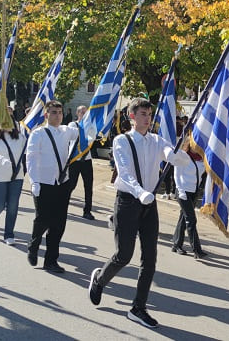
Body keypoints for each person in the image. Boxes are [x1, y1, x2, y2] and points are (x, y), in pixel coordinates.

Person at [87, 98, 190, 328]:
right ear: (132, 116)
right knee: (124, 255)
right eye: (143, 113)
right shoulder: (122, 141)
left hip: (149, 204)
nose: (148, 117)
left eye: (149, 114)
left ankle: (138, 307)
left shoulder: (156, 140)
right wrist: (140, 192)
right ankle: (100, 279)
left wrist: (178, 156)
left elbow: (170, 154)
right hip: (128, 201)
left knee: (150, 258)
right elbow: (124, 172)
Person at [26, 100, 79, 273]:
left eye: (60, 112)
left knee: (58, 224)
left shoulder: (66, 131)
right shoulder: (38, 134)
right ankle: (33, 246)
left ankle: (51, 260)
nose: (58, 115)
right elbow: (31, 158)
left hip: (62, 183)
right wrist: (34, 181)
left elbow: (83, 131)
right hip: (43, 182)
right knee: (42, 219)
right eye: (54, 112)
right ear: (46, 115)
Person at [0, 117, 27, 245]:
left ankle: (9, 234)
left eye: (11, 122)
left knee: (13, 206)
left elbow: (28, 150)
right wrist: (3, 161)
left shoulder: (21, 138)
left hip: (16, 176)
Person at [171, 133, 207, 259]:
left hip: (194, 191)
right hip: (183, 191)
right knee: (191, 220)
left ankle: (176, 244)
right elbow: (176, 175)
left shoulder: (202, 158)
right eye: (194, 144)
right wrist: (180, 191)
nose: (196, 147)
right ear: (189, 144)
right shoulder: (183, 156)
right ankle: (196, 250)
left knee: (183, 218)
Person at [67, 105, 95, 220]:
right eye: (82, 112)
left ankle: (87, 211)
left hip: (87, 160)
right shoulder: (73, 125)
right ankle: (62, 206)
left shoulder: (91, 127)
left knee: (88, 186)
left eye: (86, 112)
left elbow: (93, 138)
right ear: (78, 113)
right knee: (71, 185)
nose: (84, 114)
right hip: (75, 160)